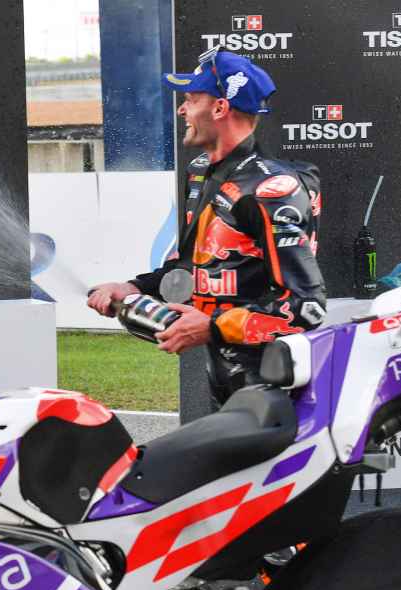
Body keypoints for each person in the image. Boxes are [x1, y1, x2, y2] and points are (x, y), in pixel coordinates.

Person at [88, 47, 326, 408]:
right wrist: (133, 287)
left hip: (275, 388)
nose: (182, 110)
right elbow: (190, 267)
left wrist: (211, 326)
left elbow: (306, 307)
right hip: (223, 379)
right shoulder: (200, 172)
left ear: (219, 108)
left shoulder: (269, 190)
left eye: (190, 100)